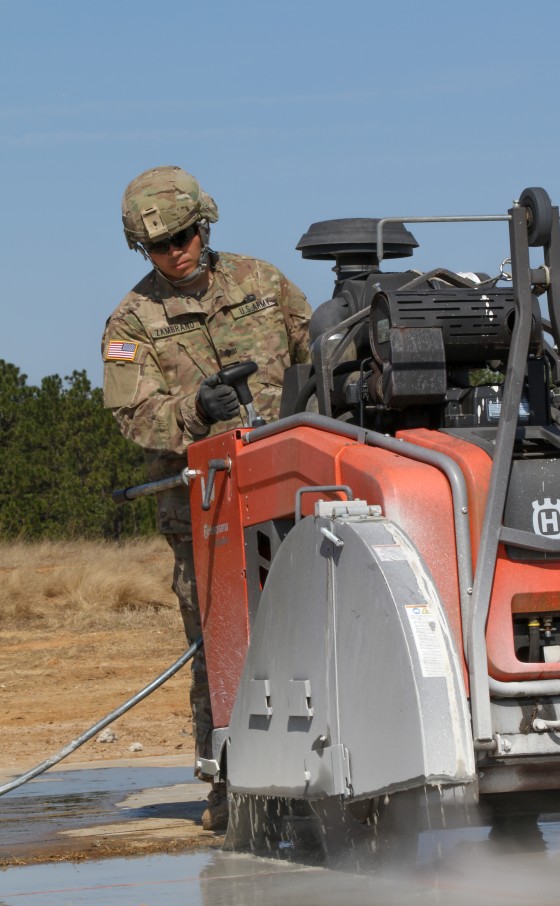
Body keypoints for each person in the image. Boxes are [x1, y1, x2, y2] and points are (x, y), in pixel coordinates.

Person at [102, 165, 311, 830]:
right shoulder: (132, 321)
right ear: (143, 249)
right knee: (221, 642)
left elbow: (321, 353)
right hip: (207, 509)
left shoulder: (262, 282)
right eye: (162, 246)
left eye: (187, 235)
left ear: (205, 224)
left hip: (295, 490)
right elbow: (132, 417)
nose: (179, 252)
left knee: (311, 631)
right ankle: (228, 781)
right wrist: (195, 409)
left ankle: (320, 773)